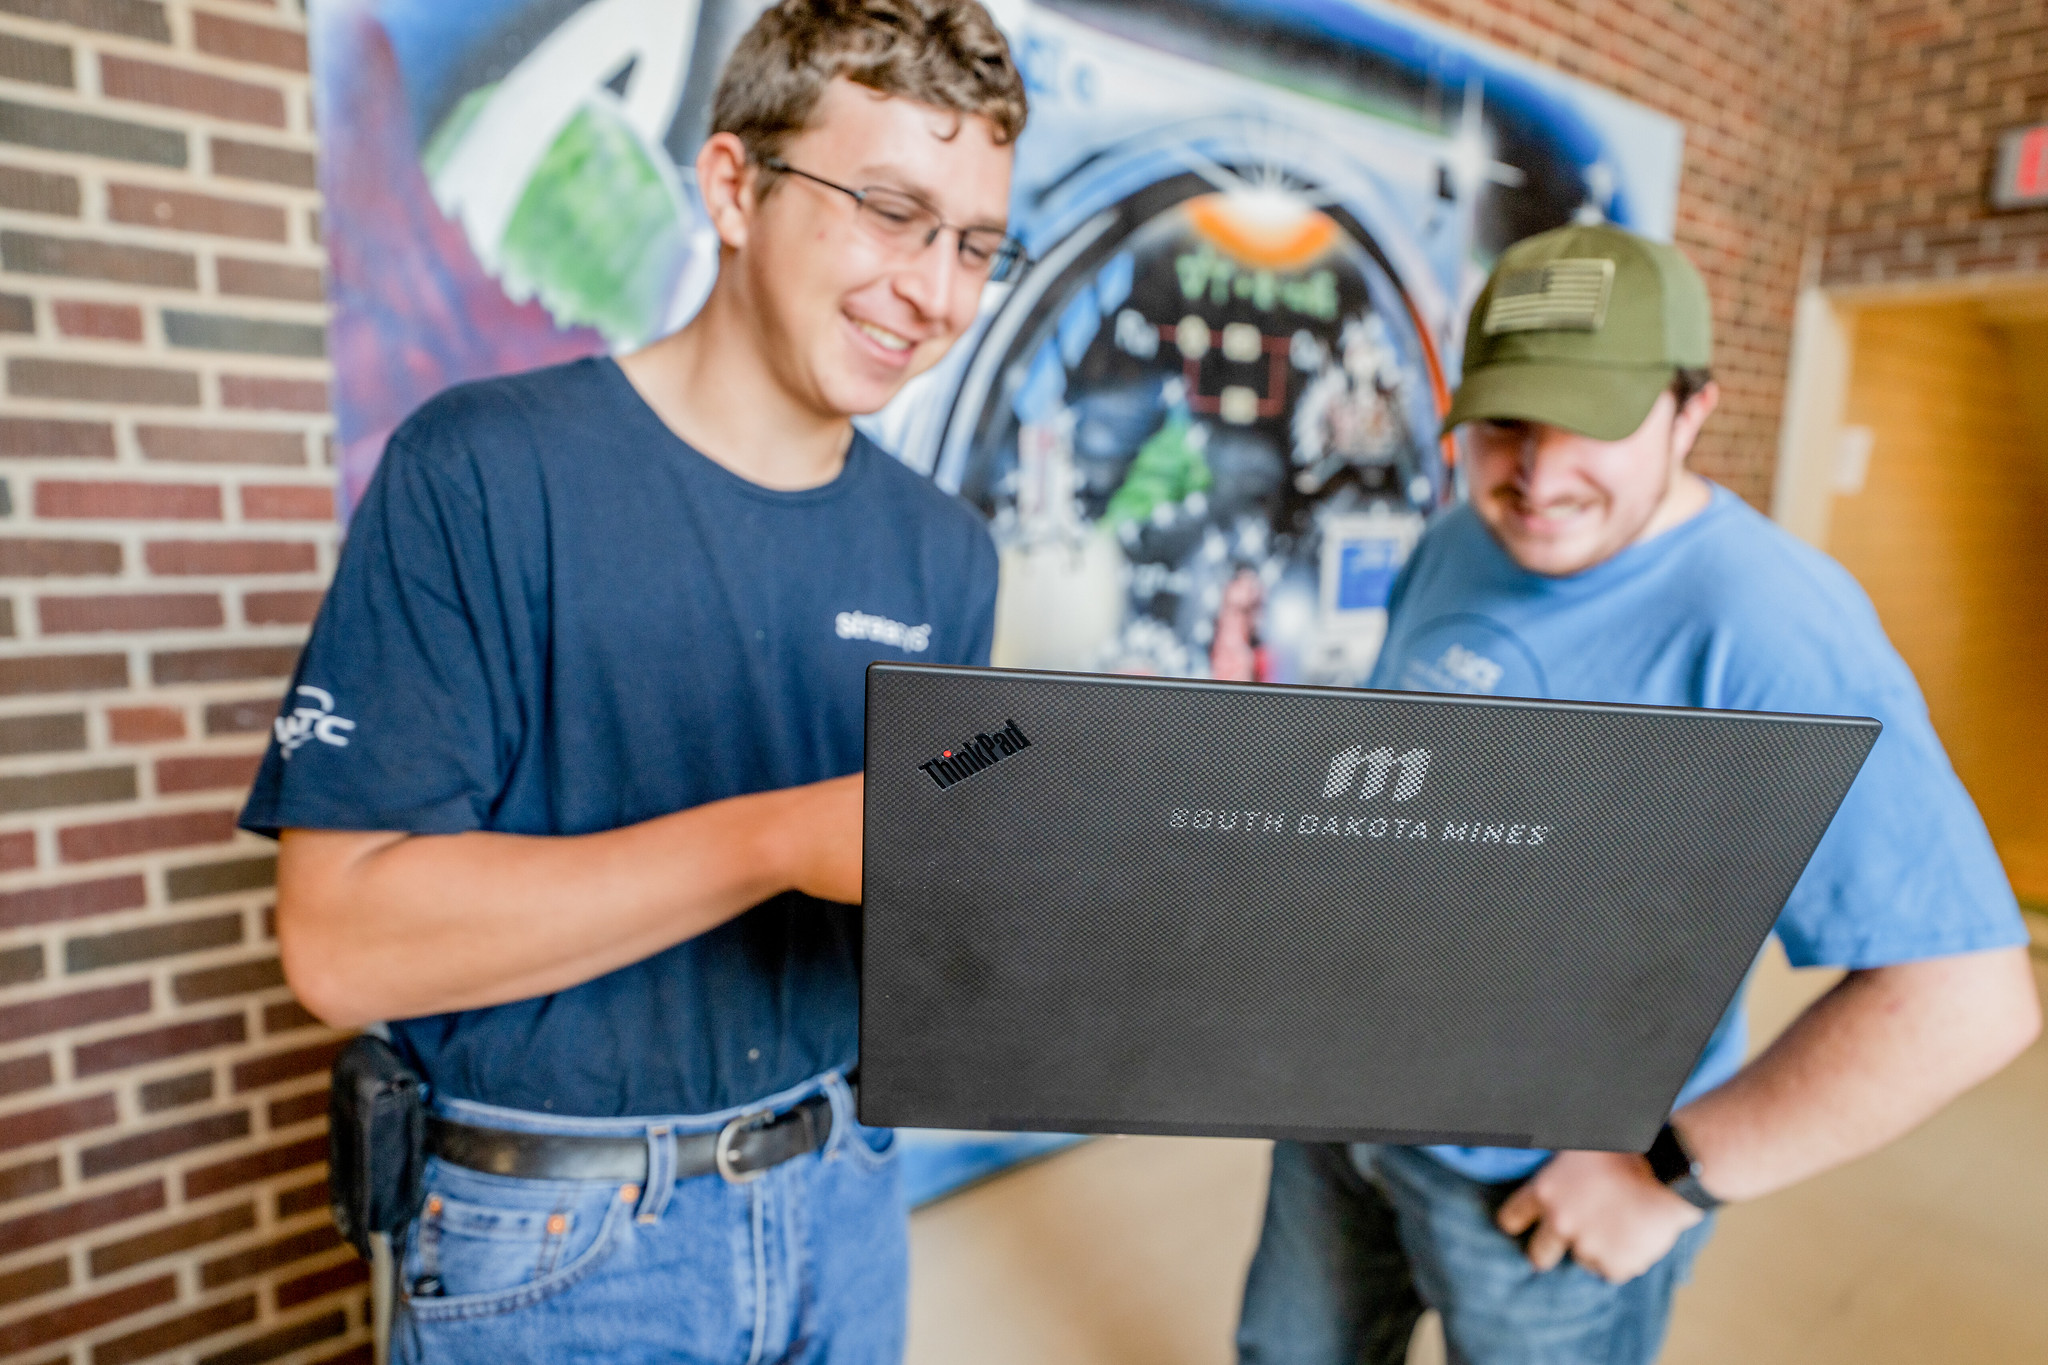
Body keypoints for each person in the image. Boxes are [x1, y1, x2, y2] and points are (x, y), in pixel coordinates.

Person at [240, 3, 1028, 1360]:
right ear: (734, 187)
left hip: (846, 1201)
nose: (937, 293)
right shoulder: (480, 472)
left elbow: (934, 894)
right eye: (891, 213)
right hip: (553, 1245)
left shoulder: (948, 552)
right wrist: (781, 839)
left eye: (971, 244)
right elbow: (341, 941)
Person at [1234, 223, 2042, 1365]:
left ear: (1690, 411)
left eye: (1593, 424)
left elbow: (1966, 1000)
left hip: (1543, 1186)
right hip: (1341, 1114)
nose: (1538, 474)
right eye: (1506, 422)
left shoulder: (1771, 629)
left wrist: (1663, 1174)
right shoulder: (1458, 541)